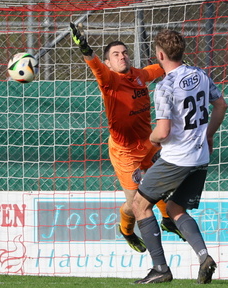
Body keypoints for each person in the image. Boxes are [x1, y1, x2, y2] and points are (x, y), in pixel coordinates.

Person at [69, 23, 185, 253]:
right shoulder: (109, 80)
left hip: (148, 144)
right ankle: (127, 230)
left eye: (124, 53)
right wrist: (84, 49)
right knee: (135, 204)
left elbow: (161, 67)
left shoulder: (139, 75)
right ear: (109, 62)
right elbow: (95, 66)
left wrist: (177, 60)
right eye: (115, 55)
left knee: (161, 184)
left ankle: (167, 220)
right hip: (125, 152)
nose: (122, 57)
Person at [132, 29, 228, 284]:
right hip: (200, 156)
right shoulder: (200, 75)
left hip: (177, 158)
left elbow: (162, 133)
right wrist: (208, 135)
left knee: (139, 205)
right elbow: (221, 105)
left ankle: (161, 268)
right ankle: (204, 256)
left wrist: (150, 139)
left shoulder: (164, 87)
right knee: (175, 208)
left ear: (160, 55)